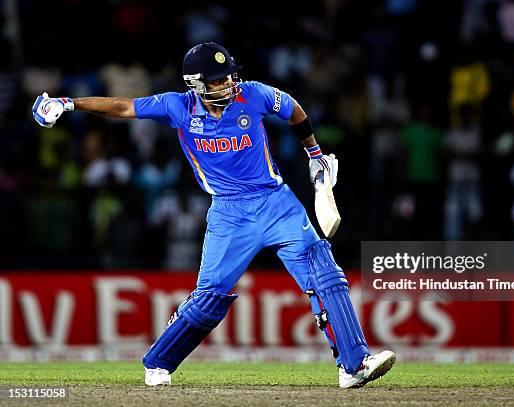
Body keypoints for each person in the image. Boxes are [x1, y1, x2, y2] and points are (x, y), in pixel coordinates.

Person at [32, 42, 395, 388]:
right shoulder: (177, 106)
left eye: (229, 76)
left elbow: (294, 110)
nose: (228, 83)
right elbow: (122, 107)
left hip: (277, 202)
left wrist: (314, 153)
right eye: (219, 79)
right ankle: (158, 361)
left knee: (323, 271)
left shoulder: (252, 93)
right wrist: (69, 103)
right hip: (228, 213)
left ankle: (354, 365)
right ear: (196, 84)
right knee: (209, 298)